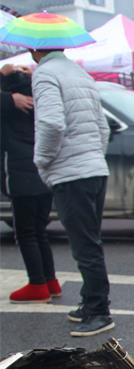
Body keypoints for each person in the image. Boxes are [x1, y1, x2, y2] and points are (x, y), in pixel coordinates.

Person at [30, 46, 113, 336]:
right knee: (91, 241)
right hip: (94, 169)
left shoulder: (44, 74)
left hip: (71, 172)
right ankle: (91, 303)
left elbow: (51, 123)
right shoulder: (80, 73)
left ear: (35, 48)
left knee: (84, 245)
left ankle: (100, 311)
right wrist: (93, 155)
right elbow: (104, 128)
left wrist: (42, 160)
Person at [2, 65, 61, 303]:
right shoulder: (41, 99)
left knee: (26, 233)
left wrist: (5, 87)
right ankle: (50, 281)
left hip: (20, 173)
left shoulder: (8, 107)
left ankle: (37, 284)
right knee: (39, 231)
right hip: (44, 172)